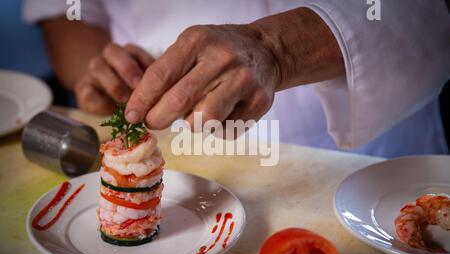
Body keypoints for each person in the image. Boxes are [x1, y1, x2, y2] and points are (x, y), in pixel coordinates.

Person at [23, 0, 450, 157]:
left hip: (371, 159)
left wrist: (275, 49)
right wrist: (105, 72)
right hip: (174, 156)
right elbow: (67, 14)